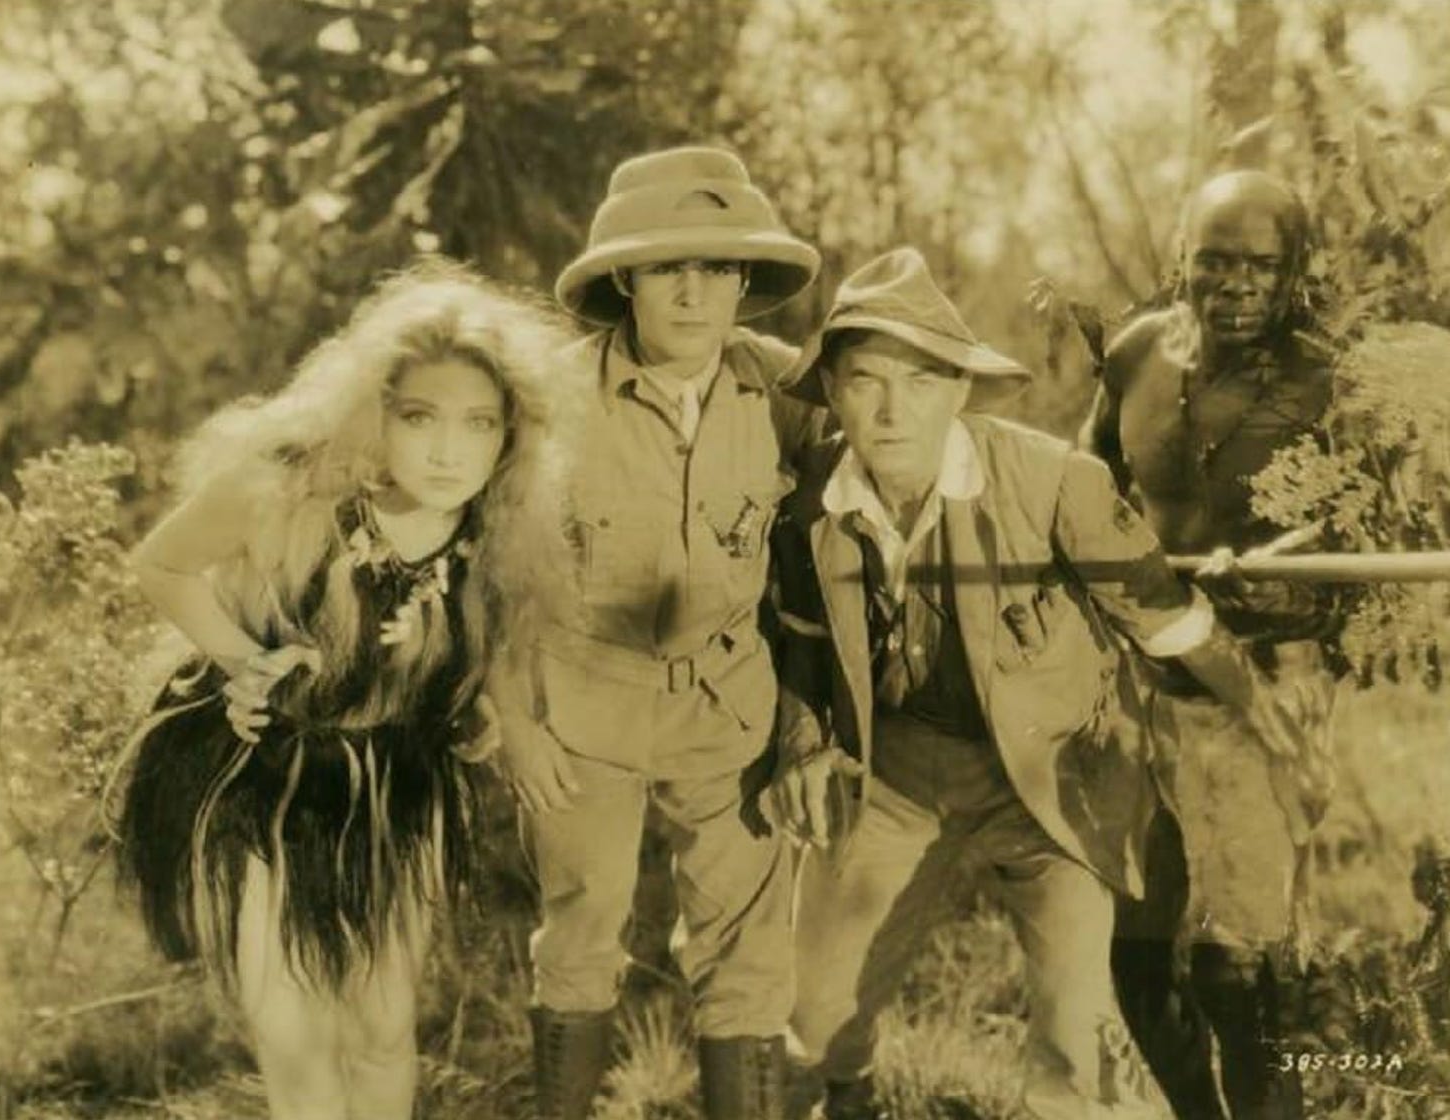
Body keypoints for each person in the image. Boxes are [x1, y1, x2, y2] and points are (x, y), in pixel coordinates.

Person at [771, 247, 1315, 1120]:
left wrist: (1268, 718)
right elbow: (799, 645)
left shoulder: (1054, 481)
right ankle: (851, 1094)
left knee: (1074, 1027)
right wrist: (801, 743)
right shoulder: (810, 506)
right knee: (810, 1011)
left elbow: (1169, 622)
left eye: (919, 381)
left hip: (1049, 777)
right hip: (893, 774)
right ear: (832, 392)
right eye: (865, 380)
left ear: (959, 389)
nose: (891, 408)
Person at [116, 260, 575, 1120]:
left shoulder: (497, 521)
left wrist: (490, 705)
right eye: (420, 418)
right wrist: (241, 662)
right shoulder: (287, 486)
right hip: (265, 779)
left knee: (383, 1028)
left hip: (397, 785)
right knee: (293, 1036)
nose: (449, 449)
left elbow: (502, 628)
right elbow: (162, 564)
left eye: (479, 424)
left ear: (510, 435)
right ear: (374, 413)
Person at [489, 145, 821, 1120]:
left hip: (729, 702)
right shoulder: (544, 401)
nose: (694, 293)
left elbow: (888, 470)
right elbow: (488, 571)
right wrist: (515, 721)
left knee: (750, 953)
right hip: (582, 703)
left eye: (718, 268)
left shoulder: (785, 393)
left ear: (745, 282)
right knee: (583, 934)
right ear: (624, 276)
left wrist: (809, 720)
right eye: (669, 266)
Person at [1081, 170, 1340, 1119]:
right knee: (1137, 957)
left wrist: (1312, 593)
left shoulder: (1329, 379)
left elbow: (1374, 540)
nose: (1233, 286)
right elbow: (1088, 492)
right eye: (1213, 261)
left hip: (1267, 685)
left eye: (1259, 267)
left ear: (1294, 271)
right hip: (1142, 679)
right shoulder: (1137, 353)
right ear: (1178, 260)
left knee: (1241, 968)